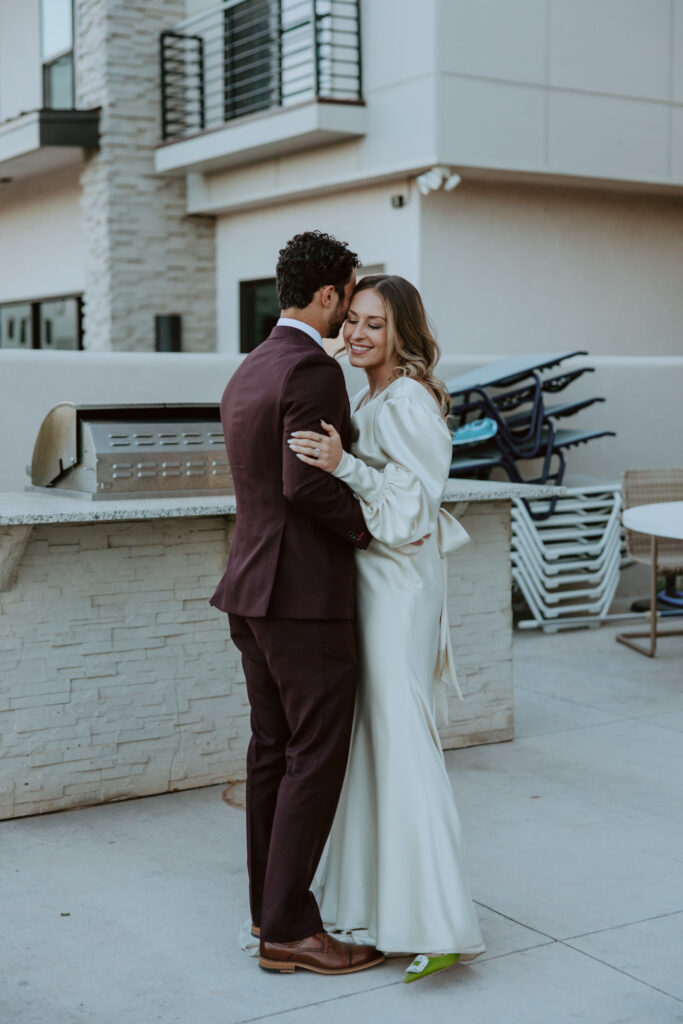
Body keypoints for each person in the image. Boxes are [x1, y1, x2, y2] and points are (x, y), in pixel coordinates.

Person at [288, 274, 486, 982]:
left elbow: (411, 508)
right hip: (371, 583)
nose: (360, 334)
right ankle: (377, 906)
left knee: (403, 744)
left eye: (376, 324)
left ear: (403, 331)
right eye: (354, 321)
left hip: (398, 587)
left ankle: (440, 923)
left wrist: (346, 466)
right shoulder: (369, 393)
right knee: (372, 745)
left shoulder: (407, 399)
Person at [210, 232, 384, 976]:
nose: (350, 314)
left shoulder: (252, 365)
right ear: (326, 296)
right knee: (313, 757)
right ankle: (288, 927)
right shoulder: (313, 371)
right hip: (302, 599)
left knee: (272, 754)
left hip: (250, 591)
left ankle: (267, 907)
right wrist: (369, 530)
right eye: (348, 297)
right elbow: (305, 482)